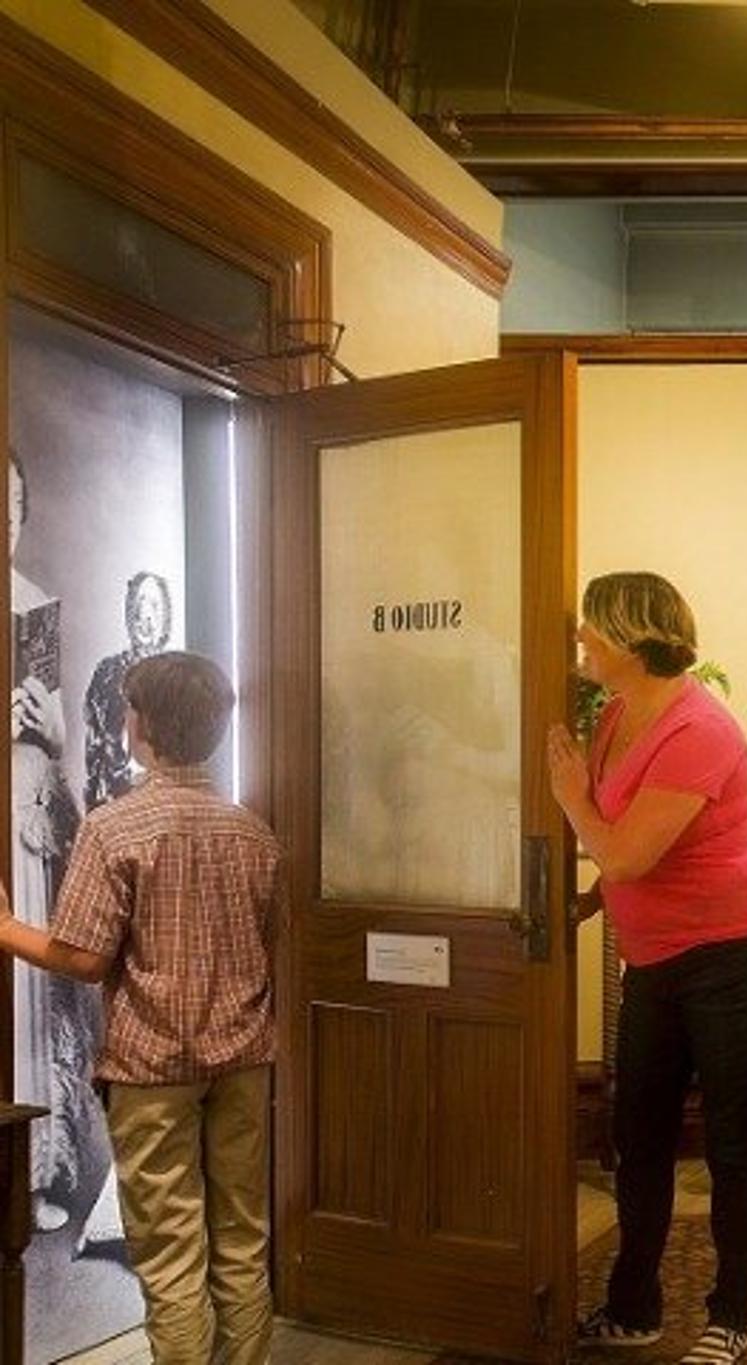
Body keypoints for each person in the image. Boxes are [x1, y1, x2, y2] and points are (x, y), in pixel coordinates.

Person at [0, 650, 280, 1365]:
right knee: (243, 1242)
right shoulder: (252, 831)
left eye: (129, 709)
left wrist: (6, 929)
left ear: (141, 725)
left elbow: (84, 957)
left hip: (152, 1070)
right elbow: (268, 941)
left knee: (172, 1256)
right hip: (243, 1062)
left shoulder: (115, 827)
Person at [547, 571, 747, 1363]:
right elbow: (624, 848)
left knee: (733, 1143)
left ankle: (731, 1315)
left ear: (626, 636)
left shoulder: (700, 729)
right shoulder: (617, 711)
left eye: (591, 625)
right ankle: (634, 1304)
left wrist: (568, 794)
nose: (581, 636)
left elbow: (624, 847)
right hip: (655, 961)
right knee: (639, 1137)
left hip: (736, 958)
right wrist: (589, 901)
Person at [8, 449, 90, 1235]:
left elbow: (61, 735)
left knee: (28, 1000)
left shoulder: (34, 606)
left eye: (11, 505)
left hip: (21, 808)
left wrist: (44, 722)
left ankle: (29, 1175)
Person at [84, 570, 174, 810]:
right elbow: (94, 743)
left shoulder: (178, 679)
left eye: (154, 605)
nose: (145, 615)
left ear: (166, 615)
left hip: (163, 802)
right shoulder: (107, 671)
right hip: (114, 801)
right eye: (139, 603)